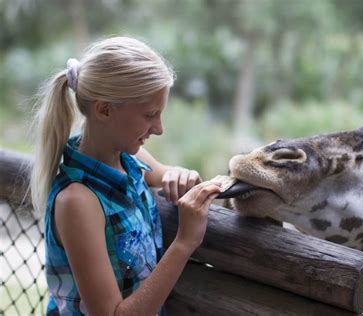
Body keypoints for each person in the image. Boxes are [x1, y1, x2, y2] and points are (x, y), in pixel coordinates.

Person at [29, 36, 223, 315]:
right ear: (104, 110)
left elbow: (166, 174)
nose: (159, 129)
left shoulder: (128, 157)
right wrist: (184, 242)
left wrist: (180, 175)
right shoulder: (78, 201)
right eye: (150, 115)